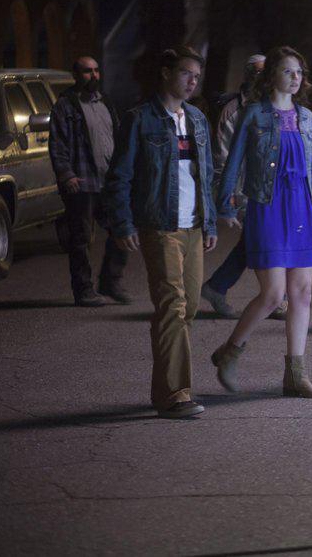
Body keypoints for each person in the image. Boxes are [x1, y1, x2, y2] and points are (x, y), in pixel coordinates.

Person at [211, 47, 312, 398]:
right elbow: (233, 164)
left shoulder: (307, 118)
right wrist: (225, 205)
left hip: (301, 208)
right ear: (272, 77)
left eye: (299, 72)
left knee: (303, 292)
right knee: (272, 295)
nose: (295, 78)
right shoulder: (253, 115)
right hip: (267, 206)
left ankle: (296, 376)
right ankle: (230, 351)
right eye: (288, 72)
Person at [105, 46, 218, 420]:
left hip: (193, 225)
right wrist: (122, 223)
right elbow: (120, 175)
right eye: (186, 73)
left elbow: (207, 175)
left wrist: (210, 222)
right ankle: (176, 393)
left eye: (197, 77)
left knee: (189, 309)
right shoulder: (140, 119)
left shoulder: (198, 119)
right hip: (160, 225)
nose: (192, 81)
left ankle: (164, 389)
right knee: (172, 305)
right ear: (166, 73)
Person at [201, 53, 291, 320]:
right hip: (245, 190)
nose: (261, 76)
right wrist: (229, 196)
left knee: (257, 239)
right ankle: (277, 298)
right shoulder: (233, 111)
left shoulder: (273, 103)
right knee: (265, 238)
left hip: (271, 188)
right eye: (256, 71)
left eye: (266, 71)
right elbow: (224, 158)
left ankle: (218, 287)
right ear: (247, 74)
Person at [48, 56, 130, 307]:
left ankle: (110, 281)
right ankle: (83, 290)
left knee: (122, 229)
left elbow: (117, 138)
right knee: (81, 239)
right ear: (76, 75)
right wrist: (66, 174)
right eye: (87, 71)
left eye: (96, 71)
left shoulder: (105, 102)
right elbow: (57, 144)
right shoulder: (66, 105)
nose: (93, 76)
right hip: (82, 181)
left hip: (109, 181)